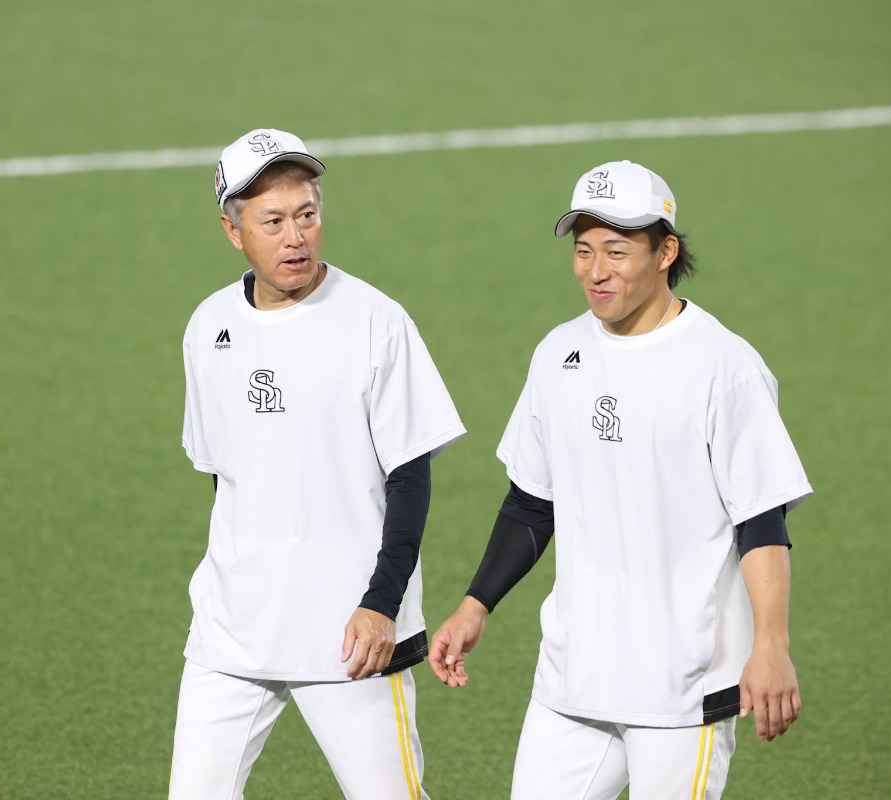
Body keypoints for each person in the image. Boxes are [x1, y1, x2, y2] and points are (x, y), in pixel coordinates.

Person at [429, 160, 812, 798]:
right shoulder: (558, 354)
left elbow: (760, 520)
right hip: (574, 679)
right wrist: (475, 605)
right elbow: (531, 504)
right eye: (583, 251)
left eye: (616, 251)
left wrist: (771, 646)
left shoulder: (723, 366)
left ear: (665, 253)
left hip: (682, 689)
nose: (595, 271)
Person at [170, 128, 465, 800]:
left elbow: (411, 480)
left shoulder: (376, 321)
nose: (295, 237)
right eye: (273, 221)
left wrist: (381, 604)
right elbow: (226, 474)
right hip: (233, 632)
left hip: (351, 635)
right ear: (233, 231)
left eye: (307, 214)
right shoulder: (208, 328)